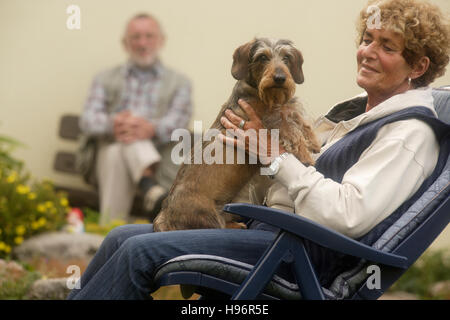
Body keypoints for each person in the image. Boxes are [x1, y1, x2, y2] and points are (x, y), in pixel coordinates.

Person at [68, 0, 450, 299]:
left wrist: (273, 154)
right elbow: (306, 173)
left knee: (139, 253)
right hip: (269, 233)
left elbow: (348, 215)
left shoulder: (408, 133)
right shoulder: (359, 115)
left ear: (417, 65)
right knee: (122, 237)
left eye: (386, 47)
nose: (367, 51)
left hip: (296, 257)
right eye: (367, 39)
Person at [79, 13, 193, 226]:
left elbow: (179, 121)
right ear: (125, 43)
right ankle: (149, 188)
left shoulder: (180, 83)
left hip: (159, 160)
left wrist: (150, 128)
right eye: (136, 37)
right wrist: (113, 124)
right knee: (116, 149)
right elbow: (88, 120)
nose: (143, 43)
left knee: (120, 149)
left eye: (149, 36)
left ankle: (108, 230)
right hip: (104, 159)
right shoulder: (104, 78)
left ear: (161, 40)